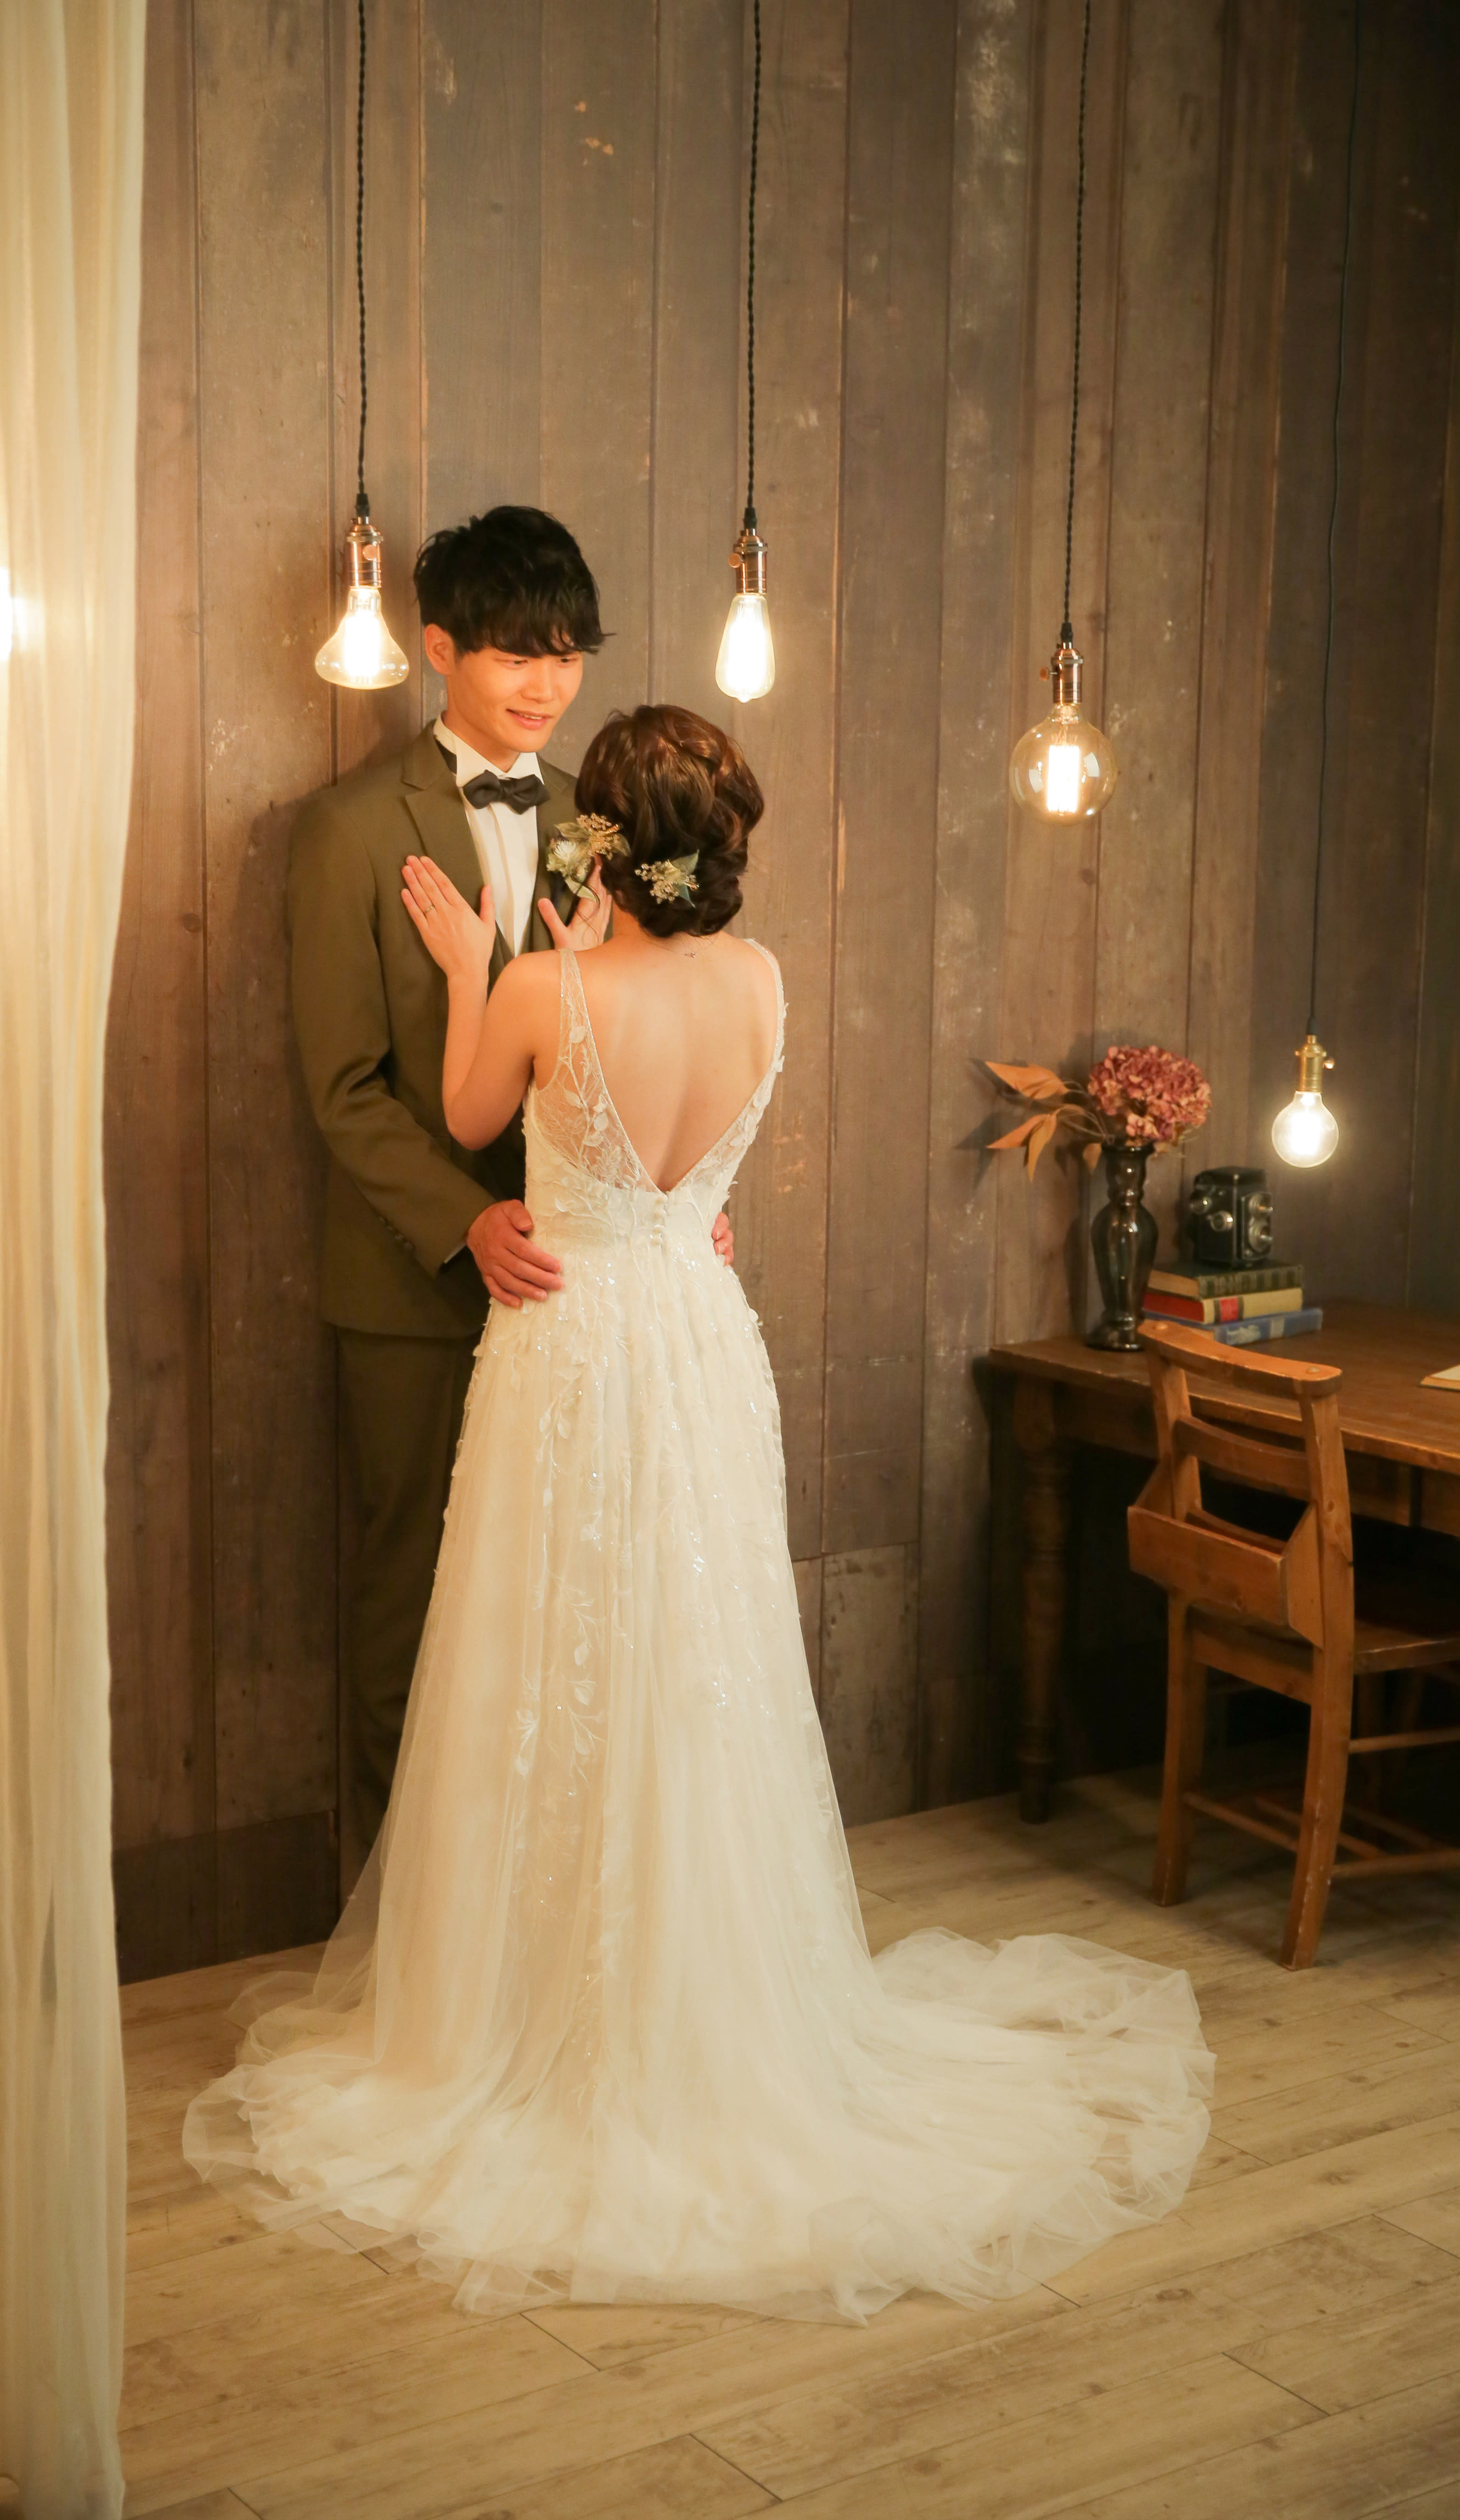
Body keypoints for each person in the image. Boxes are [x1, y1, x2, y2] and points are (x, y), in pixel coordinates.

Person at [188, 705, 1212, 2322]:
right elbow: (677, 1150)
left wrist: (470, 966)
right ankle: (705, 2001)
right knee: (694, 1659)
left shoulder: (541, 989)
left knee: (549, 1656)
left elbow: (471, 1120)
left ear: (603, 842)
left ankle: (524, 2008)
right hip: (695, 1332)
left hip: (570, 1344)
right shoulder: (762, 983)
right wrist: (573, 957)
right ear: (718, 849)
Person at [287, 508, 731, 1864]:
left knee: (571, 1607)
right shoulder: (347, 830)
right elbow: (344, 1089)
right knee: (411, 1608)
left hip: (587, 1293)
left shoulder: (611, 826)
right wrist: (464, 1220)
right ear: (438, 651)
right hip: (417, 1291)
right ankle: (393, 1925)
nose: (548, 684)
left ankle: (540, 1916)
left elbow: (666, 1014)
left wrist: (678, 1191)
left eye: (568, 655)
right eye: (516, 654)